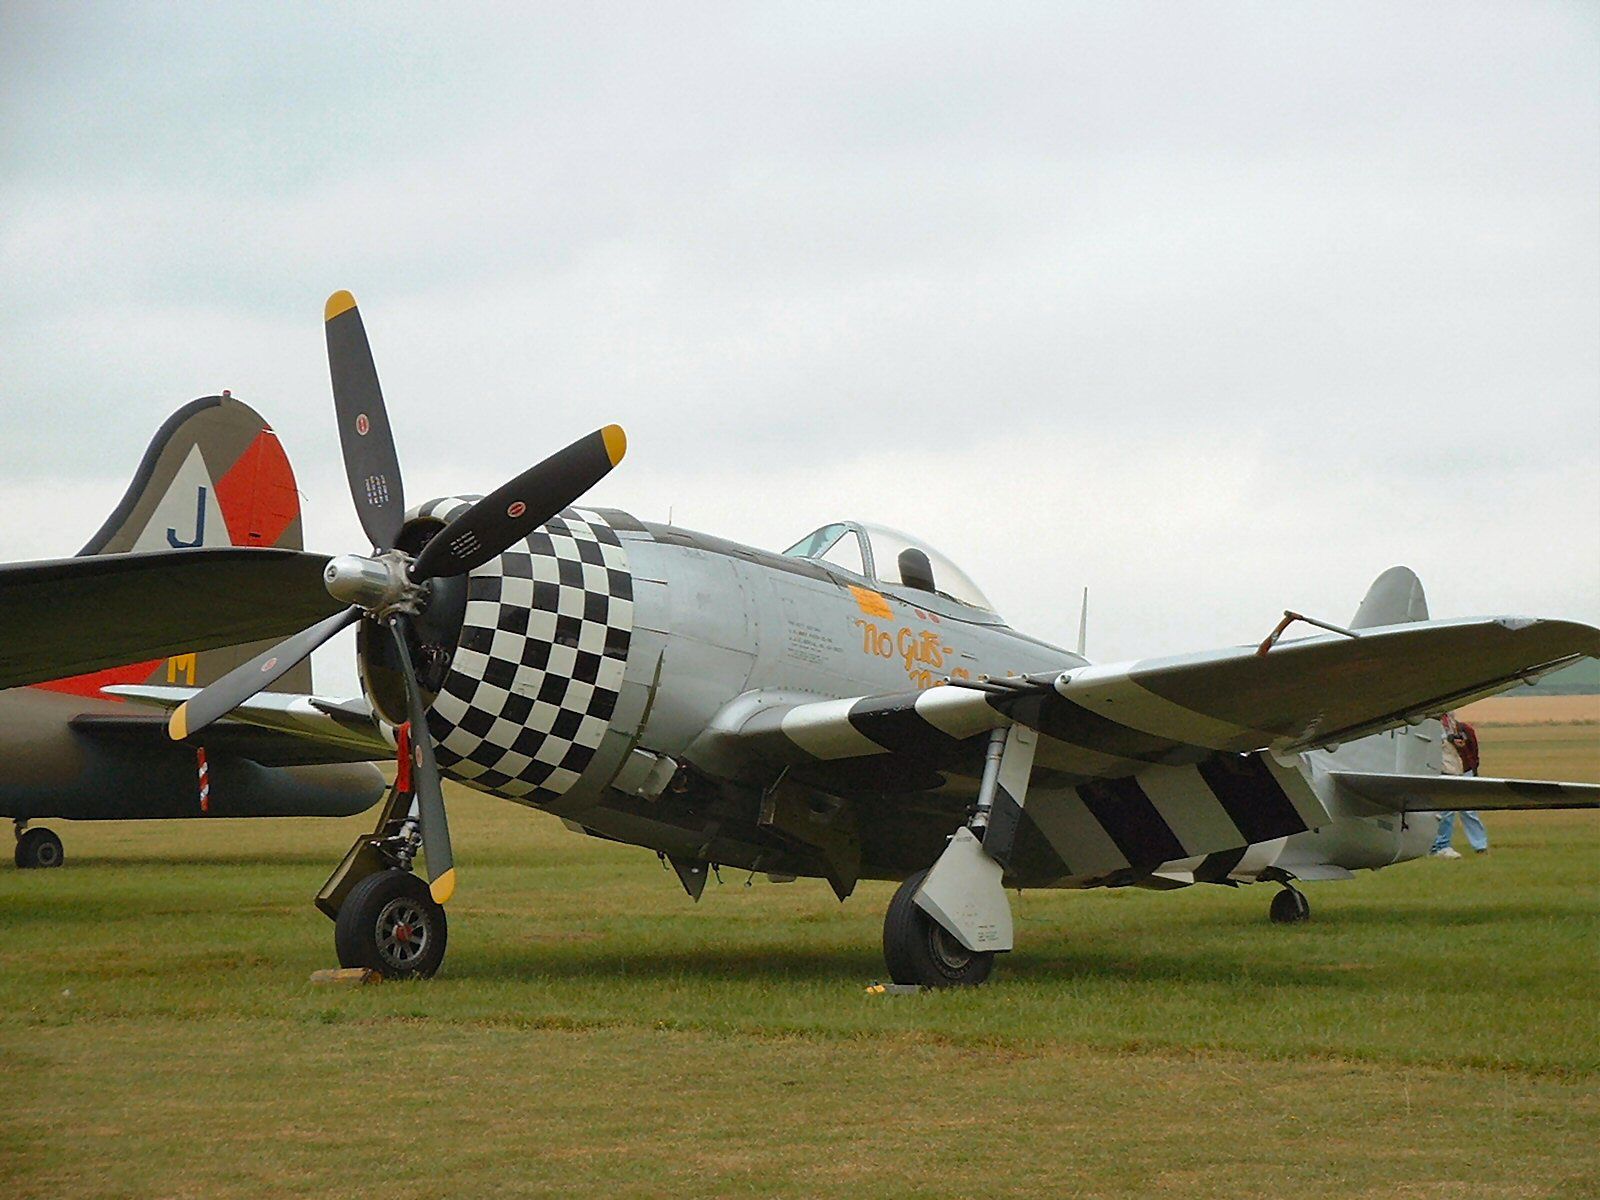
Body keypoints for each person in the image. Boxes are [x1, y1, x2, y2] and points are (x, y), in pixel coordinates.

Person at [1430, 713, 1487, 858]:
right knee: (1446, 811)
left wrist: (1473, 771)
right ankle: (1440, 845)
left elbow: (1473, 753)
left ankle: (1480, 845)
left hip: (1462, 770)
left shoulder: (1463, 729)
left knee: (1468, 810)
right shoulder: (1433, 727)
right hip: (1445, 770)